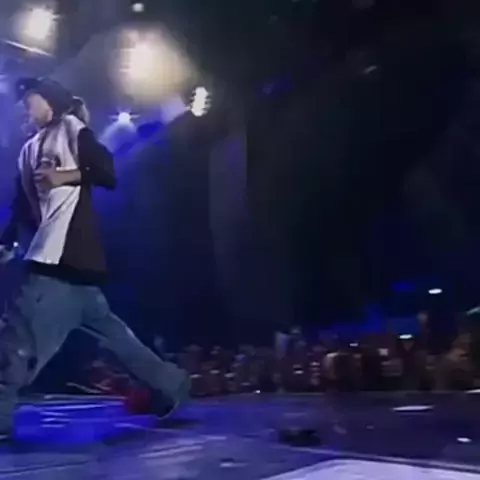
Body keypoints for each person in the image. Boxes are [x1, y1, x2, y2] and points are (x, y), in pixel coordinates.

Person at [0, 77, 190, 440]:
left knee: (18, 338)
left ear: (50, 101)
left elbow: (105, 171)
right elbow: (21, 207)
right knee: (120, 339)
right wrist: (5, 243)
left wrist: (63, 176)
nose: (26, 106)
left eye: (31, 99)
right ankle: (172, 384)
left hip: (58, 264)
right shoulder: (28, 150)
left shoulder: (72, 129)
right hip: (78, 274)